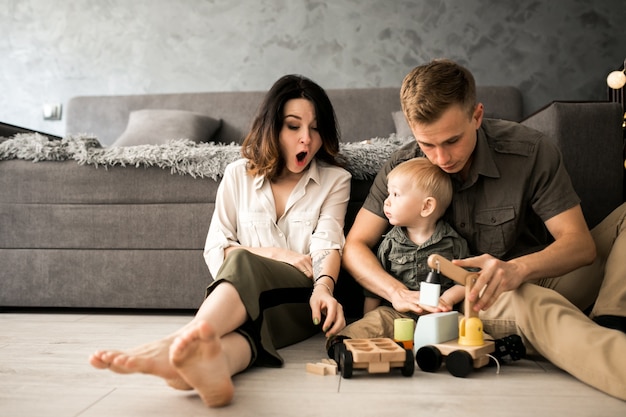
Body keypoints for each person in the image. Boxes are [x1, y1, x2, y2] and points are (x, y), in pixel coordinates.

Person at [342, 59, 626, 400]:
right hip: (475, 302)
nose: (441, 158)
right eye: (427, 145)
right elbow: (356, 244)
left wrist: (517, 268)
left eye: (452, 140)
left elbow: (580, 246)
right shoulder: (403, 167)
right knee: (531, 304)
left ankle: (613, 321)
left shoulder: (531, 151)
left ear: (477, 116)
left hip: (532, 273)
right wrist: (396, 293)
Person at [89, 74, 352, 407]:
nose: (306, 140)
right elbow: (216, 247)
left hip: (303, 299)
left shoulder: (335, 180)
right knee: (241, 333)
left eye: (315, 128)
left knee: (240, 260)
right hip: (247, 301)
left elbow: (328, 242)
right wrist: (275, 253)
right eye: (293, 126)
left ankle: (175, 342)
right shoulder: (238, 175)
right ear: (271, 128)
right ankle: (213, 370)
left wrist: (324, 288)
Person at [327, 157, 469, 353]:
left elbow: (467, 280)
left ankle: (479, 351)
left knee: (466, 326)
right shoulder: (390, 243)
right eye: (388, 193)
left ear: (426, 206)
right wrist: (370, 317)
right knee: (374, 322)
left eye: (396, 194)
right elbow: (373, 289)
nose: (386, 202)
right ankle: (342, 346)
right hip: (396, 314)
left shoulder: (453, 243)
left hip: (439, 314)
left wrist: (449, 299)